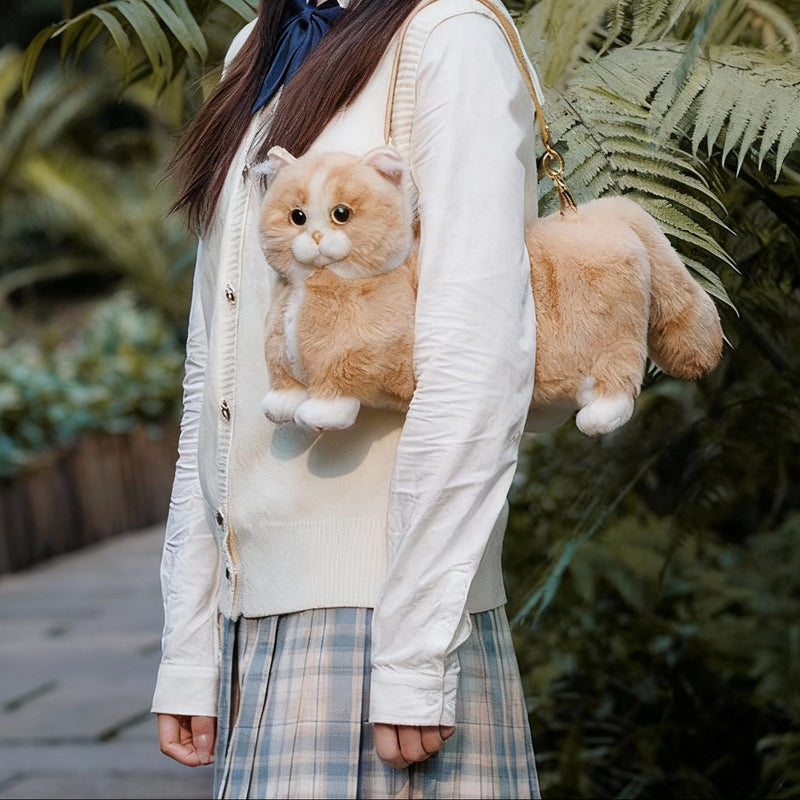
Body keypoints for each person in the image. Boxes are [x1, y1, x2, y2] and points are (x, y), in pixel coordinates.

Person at [151, 0, 543, 796]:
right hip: (254, 626)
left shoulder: (448, 39)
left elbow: (477, 359)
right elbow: (215, 363)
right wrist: (190, 639)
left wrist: (414, 655)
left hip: (379, 613)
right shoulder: (253, 51)